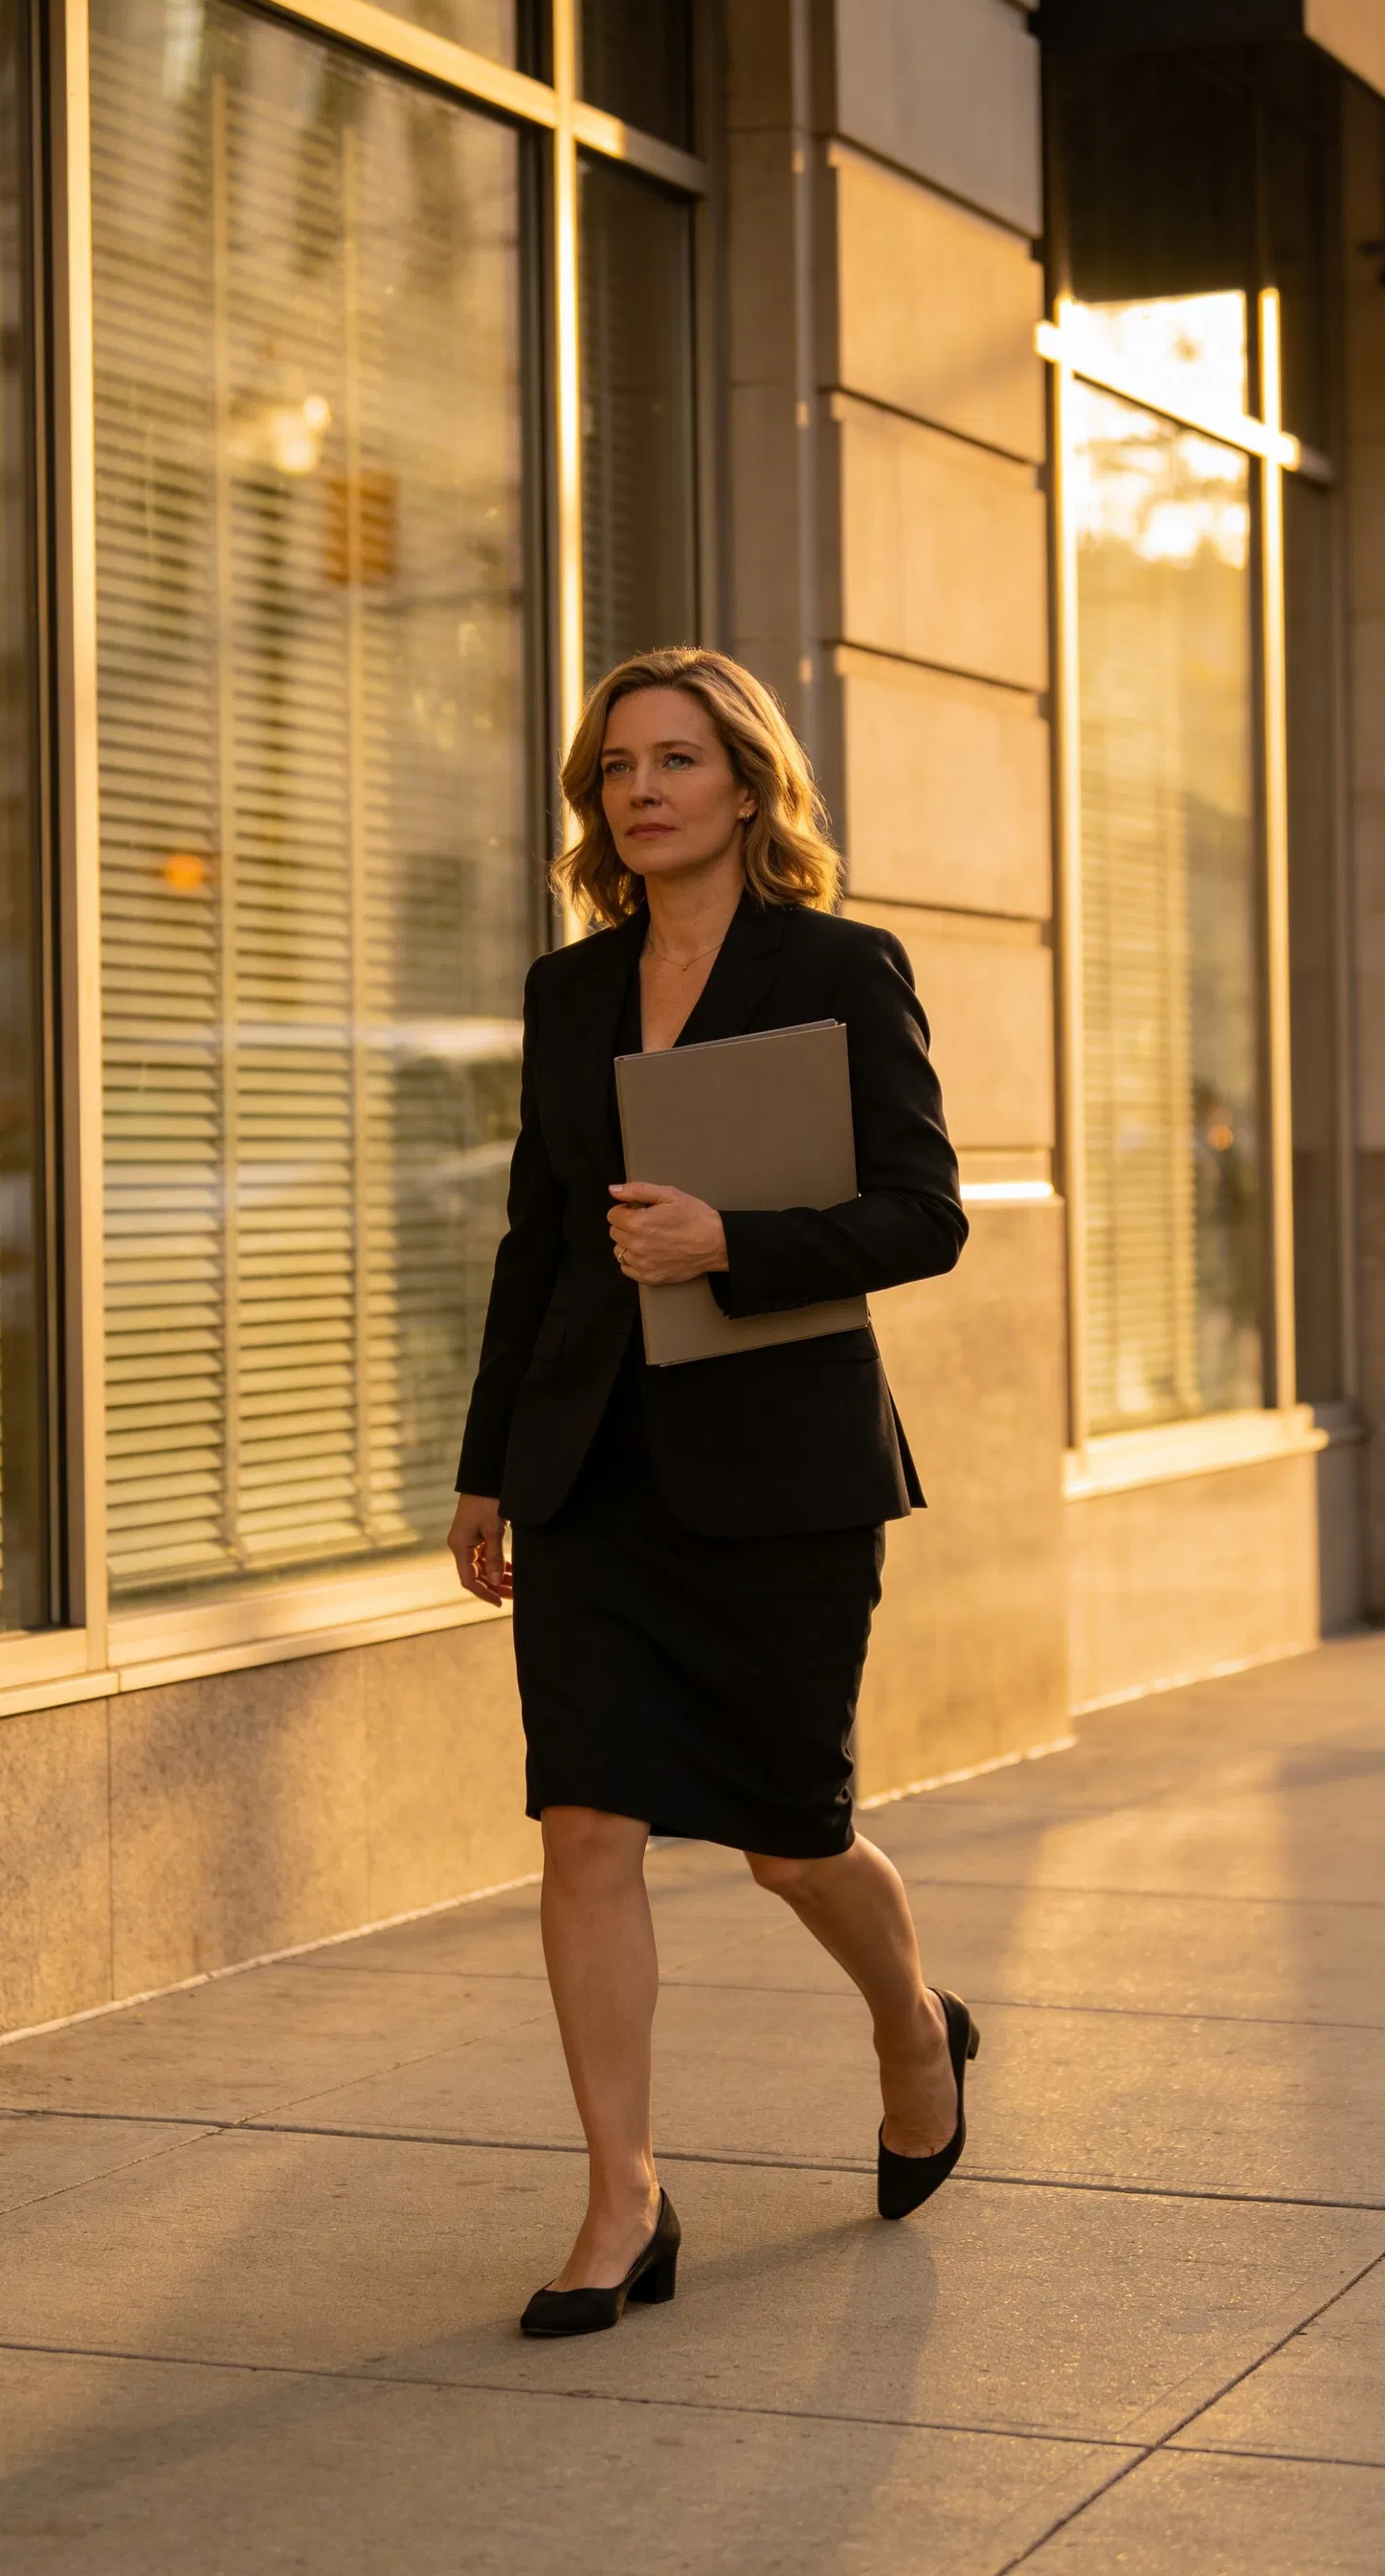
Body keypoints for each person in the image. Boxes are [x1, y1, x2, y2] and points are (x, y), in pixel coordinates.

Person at [448, 646, 974, 2339]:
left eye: (677, 761)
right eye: (618, 770)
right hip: (598, 1468)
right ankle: (625, 2198)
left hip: (784, 1472)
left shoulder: (839, 967)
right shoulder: (569, 991)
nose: (644, 790)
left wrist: (729, 1244)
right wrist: (486, 1471)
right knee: (585, 1822)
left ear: (749, 787)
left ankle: (912, 2024)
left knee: (788, 1840)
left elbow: (923, 1214)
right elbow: (538, 1243)